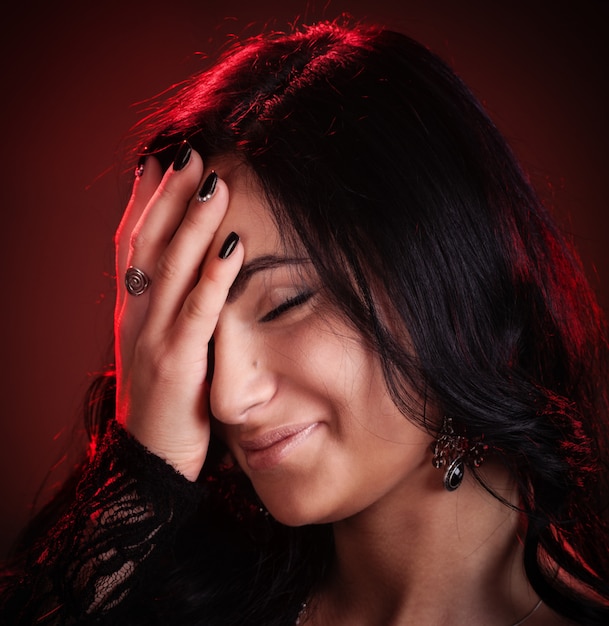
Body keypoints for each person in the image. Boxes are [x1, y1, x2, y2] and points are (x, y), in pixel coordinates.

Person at [1, 18, 608, 626]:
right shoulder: (187, 599)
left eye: (284, 304)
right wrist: (145, 465)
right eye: (202, 337)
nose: (229, 400)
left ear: (448, 281)